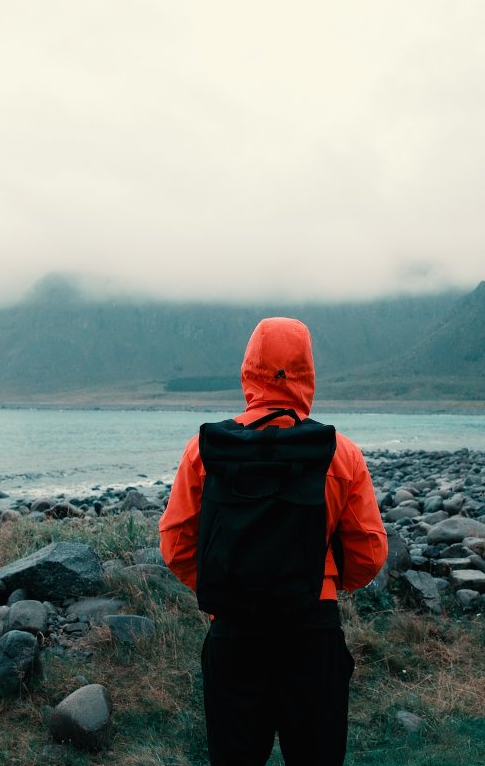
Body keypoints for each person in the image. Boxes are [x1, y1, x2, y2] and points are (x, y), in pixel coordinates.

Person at [160, 316, 388, 766]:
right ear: (308, 372)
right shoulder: (340, 452)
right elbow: (369, 553)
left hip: (233, 632)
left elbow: (176, 544)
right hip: (313, 633)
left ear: (248, 370)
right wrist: (326, 584)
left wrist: (221, 587)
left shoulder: (205, 449)